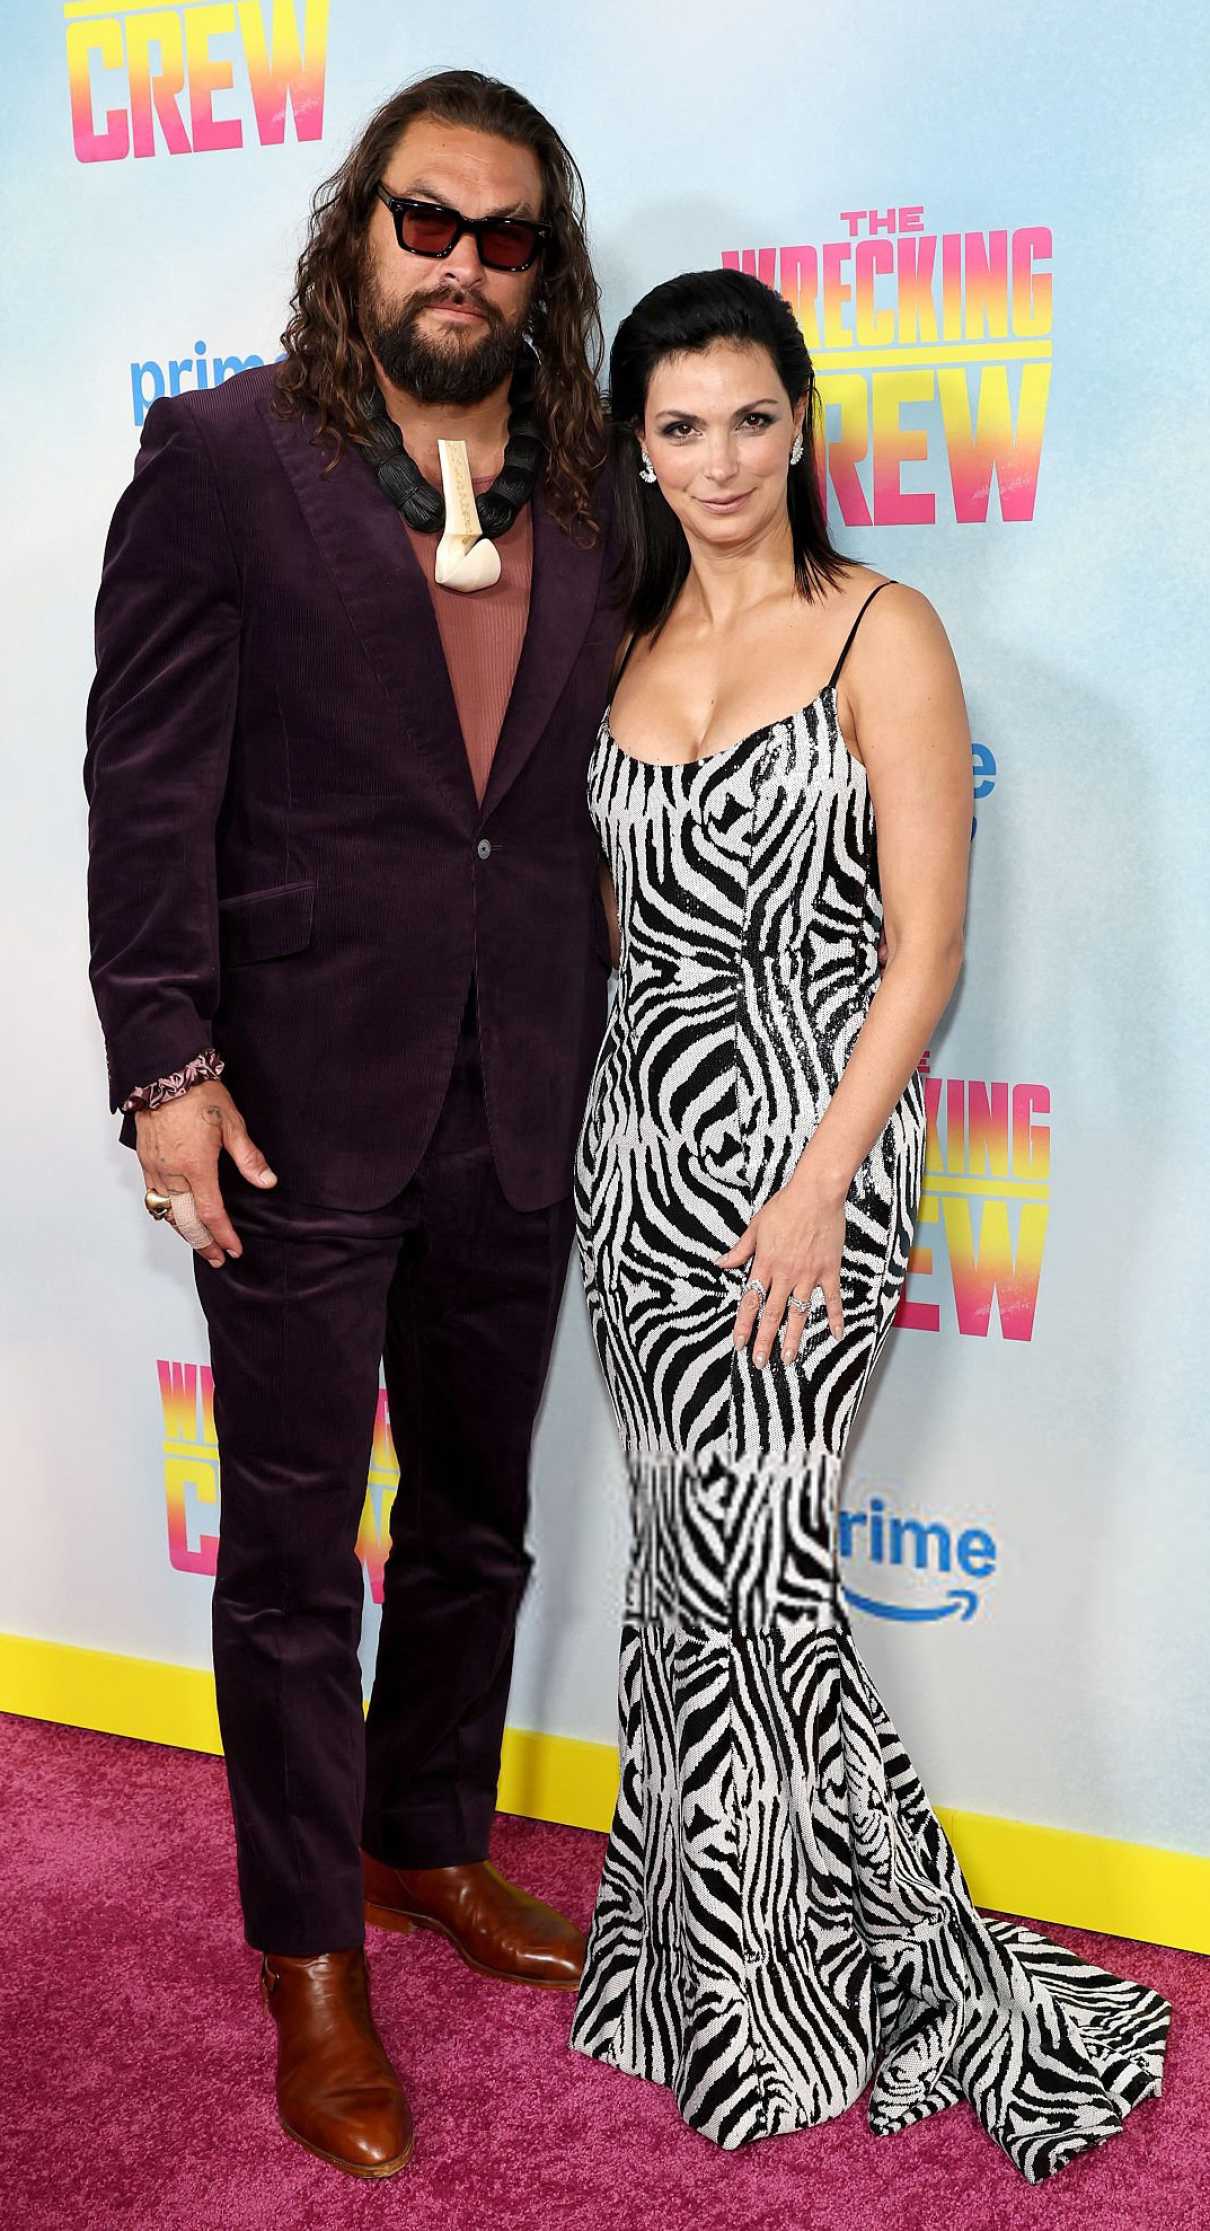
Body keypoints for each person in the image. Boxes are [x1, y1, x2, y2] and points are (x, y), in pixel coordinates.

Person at [569, 268, 1170, 2183]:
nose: (719, 460)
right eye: (680, 427)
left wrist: (822, 1178)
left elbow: (926, 955)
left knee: (760, 1578)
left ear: (802, 424)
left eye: (751, 418)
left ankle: (795, 1994)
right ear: (634, 447)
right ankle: (682, 1968)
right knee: (685, 1568)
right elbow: (620, 942)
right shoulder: (618, 642)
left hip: (811, 1163)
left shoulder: (878, 631)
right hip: (636, 1163)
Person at [84, 70, 623, 2181]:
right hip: (292, 1104)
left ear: (542, 269)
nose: (463, 264)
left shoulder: (594, 490)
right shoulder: (227, 459)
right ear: (358, 228)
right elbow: (148, 785)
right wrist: (165, 1064)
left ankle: (422, 1842)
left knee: (476, 1520)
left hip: (524, 1092)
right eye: (428, 220)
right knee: (298, 1554)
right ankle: (309, 1957)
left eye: (507, 236)